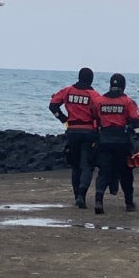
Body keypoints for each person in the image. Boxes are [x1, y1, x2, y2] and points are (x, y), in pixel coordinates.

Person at [93, 73, 139, 214]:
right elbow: (137, 123)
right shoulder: (128, 102)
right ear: (123, 86)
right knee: (125, 173)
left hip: (104, 140)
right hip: (122, 141)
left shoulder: (99, 101)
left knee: (104, 172)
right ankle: (129, 203)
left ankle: (98, 201)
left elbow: (95, 119)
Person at [49, 67, 100, 209]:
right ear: (91, 79)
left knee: (75, 166)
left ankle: (77, 195)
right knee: (87, 166)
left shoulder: (67, 91)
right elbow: (99, 114)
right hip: (88, 132)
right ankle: (82, 195)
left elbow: (53, 105)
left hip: (72, 131)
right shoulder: (94, 95)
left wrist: (63, 118)